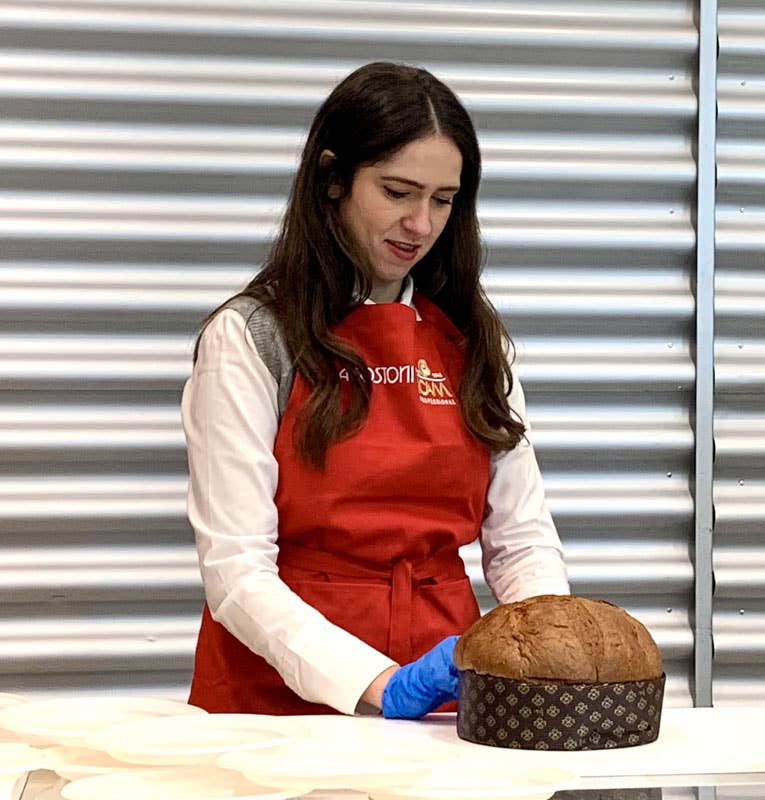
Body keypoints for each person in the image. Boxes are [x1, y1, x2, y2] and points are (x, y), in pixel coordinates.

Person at [180, 62, 570, 719]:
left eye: (443, 200)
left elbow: (522, 541)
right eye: (397, 192)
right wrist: (379, 682)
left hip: (446, 695)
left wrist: (553, 645)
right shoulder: (251, 338)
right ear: (333, 179)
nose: (419, 224)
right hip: (277, 703)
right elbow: (236, 572)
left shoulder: (472, 342)